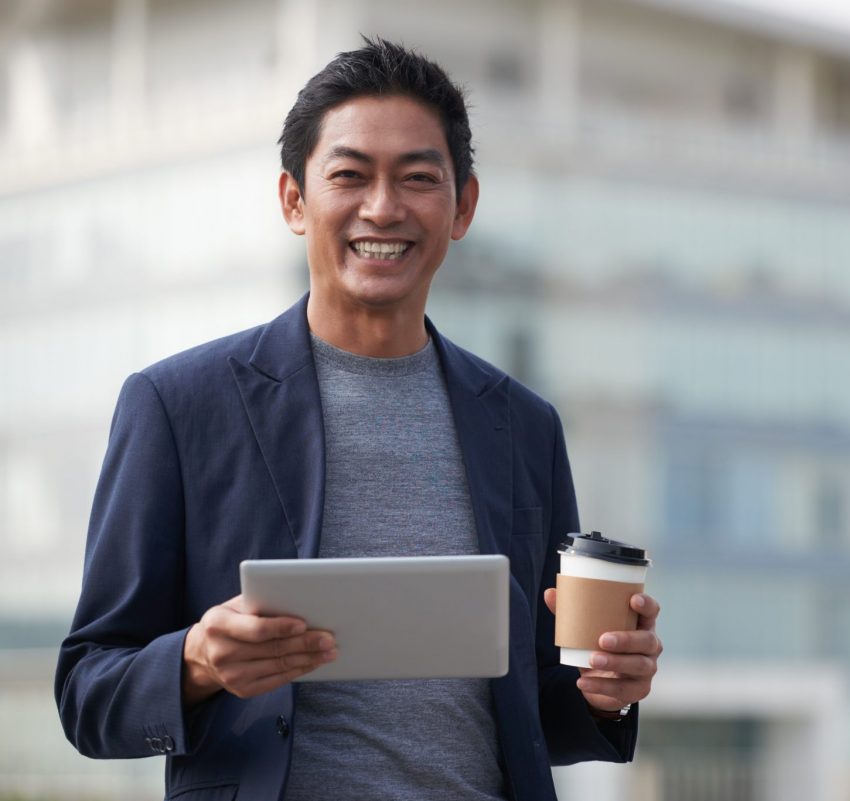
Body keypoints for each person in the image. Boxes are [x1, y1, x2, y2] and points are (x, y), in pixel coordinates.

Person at [55, 37, 662, 801]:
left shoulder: (523, 424)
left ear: (463, 206)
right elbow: (87, 691)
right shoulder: (178, 406)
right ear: (294, 200)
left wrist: (607, 686)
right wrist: (198, 661)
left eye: (417, 178)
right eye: (349, 175)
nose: (384, 207)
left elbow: (537, 708)